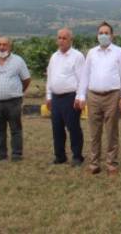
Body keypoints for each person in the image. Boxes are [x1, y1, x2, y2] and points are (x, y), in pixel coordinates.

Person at [76, 21, 121, 176]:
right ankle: (94, 163)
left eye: (106, 33)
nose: (103, 35)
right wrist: (81, 95)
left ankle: (111, 163)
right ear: (97, 35)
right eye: (101, 33)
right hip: (93, 95)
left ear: (112, 35)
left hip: (112, 95)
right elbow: (85, 75)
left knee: (111, 131)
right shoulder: (92, 53)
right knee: (94, 131)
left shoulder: (119, 52)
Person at [46, 28, 85, 167]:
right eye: (59, 38)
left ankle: (77, 156)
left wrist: (80, 97)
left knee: (73, 128)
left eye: (64, 38)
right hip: (56, 98)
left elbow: (82, 79)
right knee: (56, 128)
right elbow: (50, 77)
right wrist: (48, 96)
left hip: (71, 97)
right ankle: (60, 156)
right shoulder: (54, 56)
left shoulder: (77, 56)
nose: (61, 40)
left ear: (70, 40)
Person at [0, 36, 31, 162]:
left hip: (13, 101)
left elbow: (26, 79)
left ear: (10, 46)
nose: (1, 47)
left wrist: (18, 91)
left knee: (15, 129)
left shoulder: (18, 61)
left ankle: (17, 154)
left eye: (4, 44)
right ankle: (1, 154)